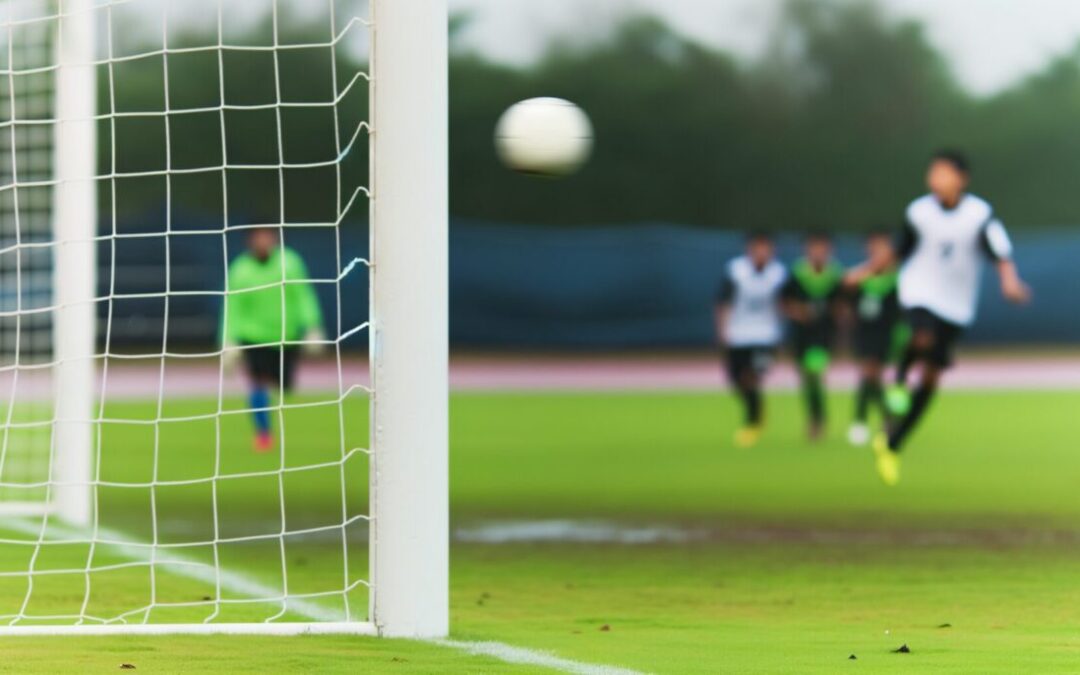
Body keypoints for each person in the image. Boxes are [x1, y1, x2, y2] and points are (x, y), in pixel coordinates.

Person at [847, 150, 1031, 485]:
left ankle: (894, 441)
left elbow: (1001, 253)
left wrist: (1010, 282)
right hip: (920, 290)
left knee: (931, 377)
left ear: (962, 179)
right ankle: (898, 385)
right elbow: (898, 251)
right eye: (933, 172)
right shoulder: (919, 212)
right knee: (921, 337)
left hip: (956, 305)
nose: (936, 179)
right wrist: (863, 272)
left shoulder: (979, 215)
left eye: (943, 172)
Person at [221, 227, 326, 452]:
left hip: (285, 336)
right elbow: (232, 307)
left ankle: (278, 427)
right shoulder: (240, 270)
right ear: (249, 240)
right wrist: (228, 340)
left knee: (284, 386)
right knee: (258, 382)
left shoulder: (290, 263)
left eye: (267, 236)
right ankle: (263, 434)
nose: (263, 241)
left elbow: (303, 295)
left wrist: (312, 325)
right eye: (258, 237)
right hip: (253, 337)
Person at [716, 232, 787, 448]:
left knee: (752, 376)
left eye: (766, 247)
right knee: (736, 380)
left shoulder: (778, 274)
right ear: (749, 249)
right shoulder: (736, 271)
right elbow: (723, 302)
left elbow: (785, 303)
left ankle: (753, 421)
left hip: (765, 336)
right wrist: (722, 330)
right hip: (739, 334)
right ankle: (756, 412)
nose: (762, 252)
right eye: (758, 247)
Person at [781, 232, 845, 441]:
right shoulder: (797, 274)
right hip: (801, 335)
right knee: (807, 378)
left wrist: (837, 315)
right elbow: (784, 302)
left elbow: (843, 305)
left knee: (814, 372)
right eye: (814, 247)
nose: (818, 252)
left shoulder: (835, 275)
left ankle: (817, 420)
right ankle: (815, 417)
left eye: (822, 247)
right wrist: (800, 312)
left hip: (823, 335)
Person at [844, 231, 905, 447]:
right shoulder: (861, 275)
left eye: (882, 248)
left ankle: (862, 420)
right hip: (864, 332)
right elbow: (846, 285)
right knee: (870, 373)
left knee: (871, 373)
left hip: (886, 333)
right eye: (874, 247)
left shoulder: (897, 278)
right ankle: (884, 418)